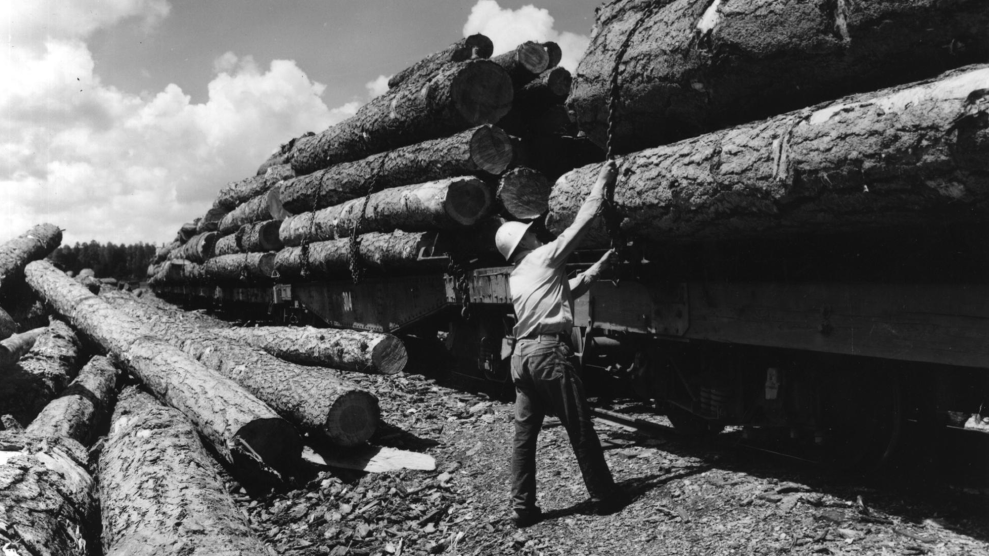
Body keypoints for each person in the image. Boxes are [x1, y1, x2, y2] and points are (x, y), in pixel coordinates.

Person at [494, 160, 627, 528]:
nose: (537, 234)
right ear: (524, 242)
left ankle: (523, 508)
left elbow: (567, 291)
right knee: (579, 424)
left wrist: (600, 265)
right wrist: (601, 181)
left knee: (524, 437)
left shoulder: (520, 275)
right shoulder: (542, 257)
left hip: (522, 357)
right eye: (531, 233)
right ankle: (604, 495)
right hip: (548, 355)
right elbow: (581, 224)